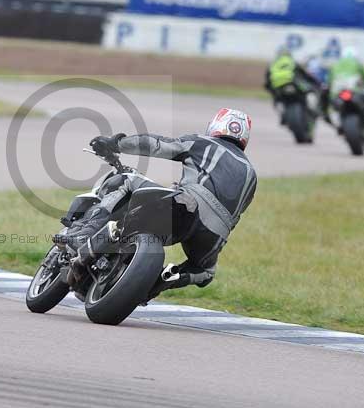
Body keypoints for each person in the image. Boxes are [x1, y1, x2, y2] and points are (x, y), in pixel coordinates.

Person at [56, 108, 257, 299]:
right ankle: (159, 283)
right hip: (214, 234)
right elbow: (236, 215)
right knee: (205, 272)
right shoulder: (251, 174)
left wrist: (116, 143)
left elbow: (157, 144)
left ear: (216, 126)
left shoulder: (203, 143)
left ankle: (85, 232)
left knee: (127, 179)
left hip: (185, 207)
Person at [322, 46, 364, 126]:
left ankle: (335, 121)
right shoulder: (357, 64)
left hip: (337, 94)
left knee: (331, 106)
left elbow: (328, 83)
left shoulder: (335, 65)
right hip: (353, 91)